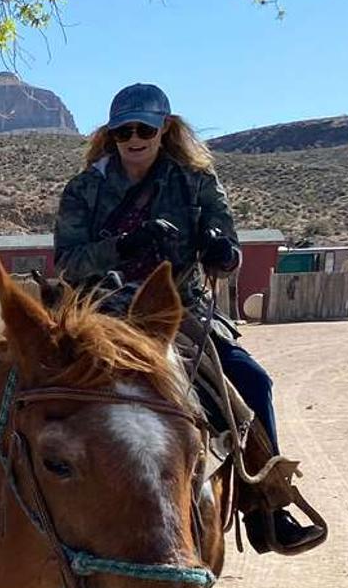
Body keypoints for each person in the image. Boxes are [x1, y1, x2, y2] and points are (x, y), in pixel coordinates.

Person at [55, 83, 321, 553]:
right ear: (111, 134)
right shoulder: (84, 189)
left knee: (252, 381)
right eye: (123, 131)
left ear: (165, 129)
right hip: (104, 313)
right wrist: (124, 245)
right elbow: (68, 262)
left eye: (144, 129)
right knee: (29, 388)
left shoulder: (196, 182)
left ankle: (266, 505)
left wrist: (222, 251)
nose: (133, 139)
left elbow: (230, 252)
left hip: (180, 311)